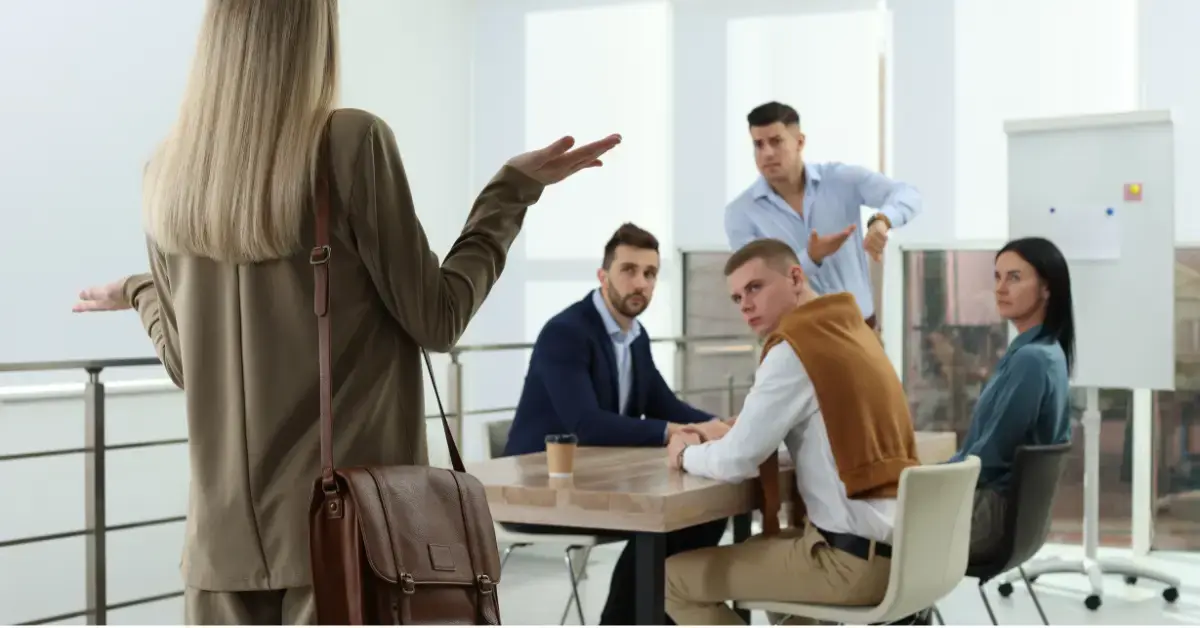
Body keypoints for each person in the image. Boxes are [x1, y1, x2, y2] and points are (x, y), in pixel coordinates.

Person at [69, 1, 621, 624]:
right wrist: (509, 196)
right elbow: (437, 318)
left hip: (218, 551)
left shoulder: (168, 173)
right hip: (347, 536)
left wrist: (142, 291)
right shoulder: (349, 142)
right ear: (314, 33)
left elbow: (185, 364)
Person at [662, 238, 921, 625]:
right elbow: (827, 437)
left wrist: (684, 454)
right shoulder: (854, 333)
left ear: (795, 277)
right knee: (768, 556)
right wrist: (736, 433)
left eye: (755, 287)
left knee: (670, 579)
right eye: (736, 298)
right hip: (901, 558)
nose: (745, 305)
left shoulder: (795, 349)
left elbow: (737, 460)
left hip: (849, 565)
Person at [503, 222, 730, 625]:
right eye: (628, 270)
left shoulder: (634, 336)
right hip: (542, 492)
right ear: (603, 275)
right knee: (659, 527)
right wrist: (679, 432)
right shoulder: (567, 333)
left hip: (597, 481)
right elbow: (586, 425)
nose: (639, 282)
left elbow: (663, 403)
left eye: (650, 273)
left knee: (703, 514)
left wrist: (721, 425)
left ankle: (661, 617)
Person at [724, 101, 922, 328]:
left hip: (861, 327)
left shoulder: (839, 180)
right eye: (758, 144)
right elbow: (754, 281)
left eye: (776, 142)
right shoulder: (740, 214)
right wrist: (810, 257)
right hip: (796, 336)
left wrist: (882, 221)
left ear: (799, 142)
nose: (767, 153)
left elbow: (908, 194)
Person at [947, 237, 1073, 563]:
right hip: (1003, 516)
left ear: (1047, 288)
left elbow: (987, 459)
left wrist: (918, 478)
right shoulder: (1043, 351)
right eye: (997, 277)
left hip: (987, 517)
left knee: (862, 529)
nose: (1000, 289)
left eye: (1014, 278)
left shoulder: (1031, 360)